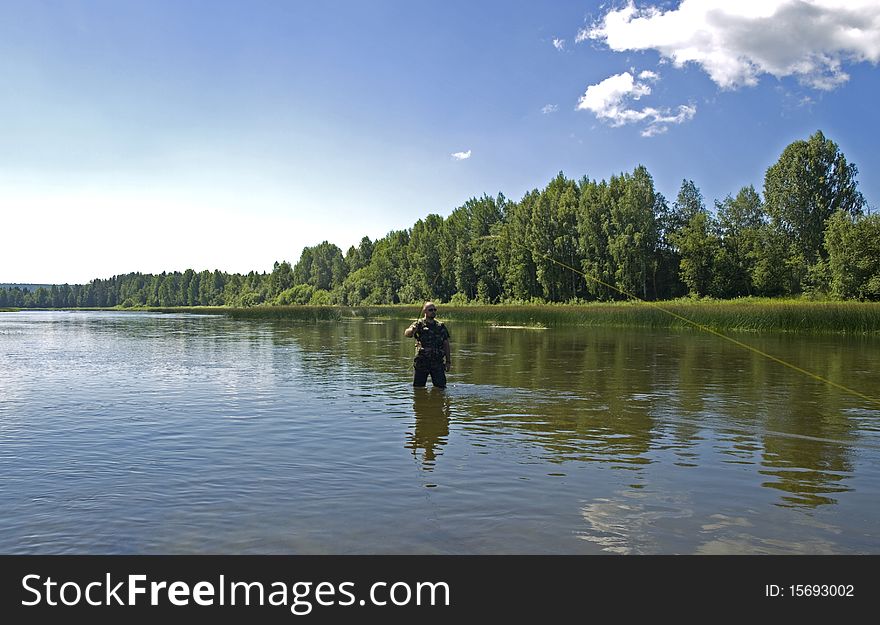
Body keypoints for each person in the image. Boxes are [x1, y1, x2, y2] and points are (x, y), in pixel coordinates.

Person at [404, 301, 451, 388]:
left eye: (434, 310)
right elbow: (407, 333)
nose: (433, 311)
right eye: (430, 310)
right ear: (425, 311)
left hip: (437, 362)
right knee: (418, 388)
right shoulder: (419, 324)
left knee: (441, 388)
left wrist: (448, 361)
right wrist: (412, 330)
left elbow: (446, 344)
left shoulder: (440, 326)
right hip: (422, 362)